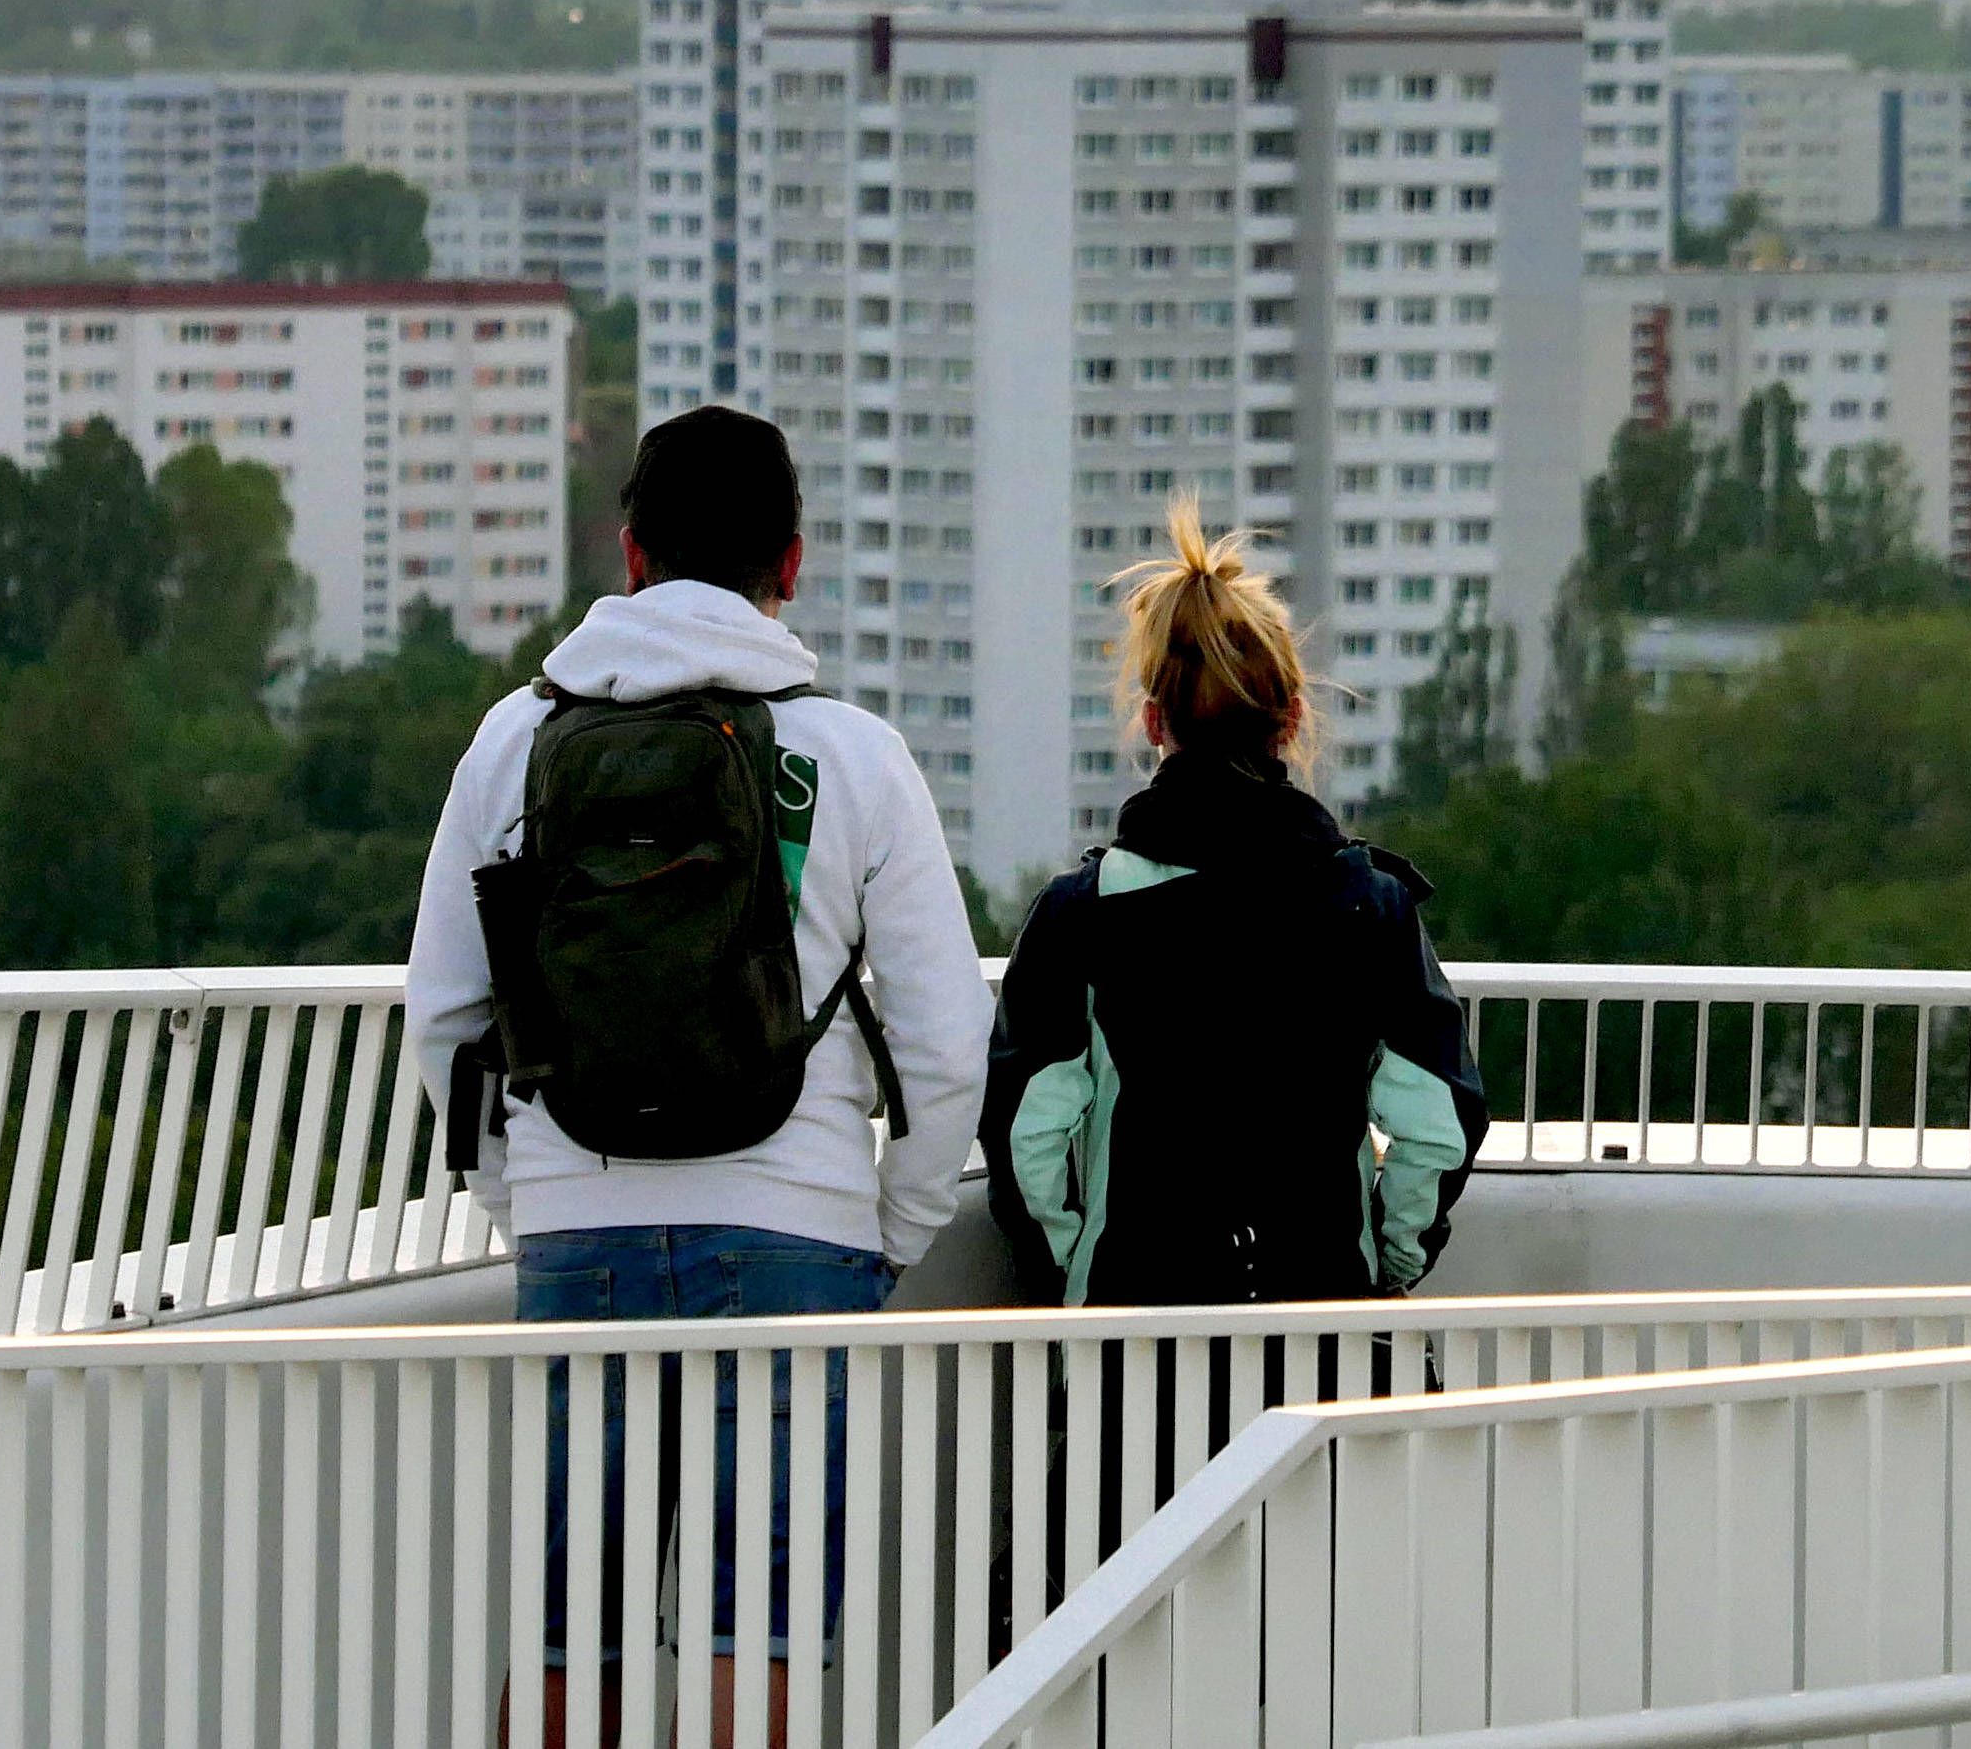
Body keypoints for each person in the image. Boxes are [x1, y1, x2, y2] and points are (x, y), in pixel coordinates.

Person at [407, 404, 986, 1744]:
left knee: (570, 1620)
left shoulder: (512, 742)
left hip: (575, 1213)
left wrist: (525, 1195)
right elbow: (951, 1046)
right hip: (798, 1232)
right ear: (792, 563)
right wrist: (886, 1227)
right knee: (757, 1626)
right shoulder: (855, 755)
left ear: (631, 554)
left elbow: (444, 1015)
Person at [982, 499, 1490, 1309]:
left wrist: (1081, 1270)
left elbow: (1028, 1138)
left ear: (1154, 722)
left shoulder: (1084, 915)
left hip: (1133, 1361)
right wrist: (1388, 1263)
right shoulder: (1369, 907)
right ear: (1291, 718)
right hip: (1322, 1349)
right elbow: (1435, 1128)